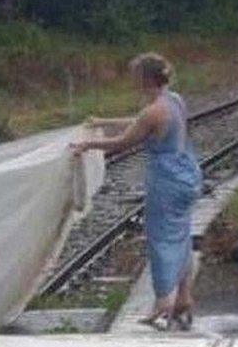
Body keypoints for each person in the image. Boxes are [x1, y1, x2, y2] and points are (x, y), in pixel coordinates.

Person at [72, 52, 201, 330]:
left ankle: (162, 302)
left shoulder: (153, 111)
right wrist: (102, 122)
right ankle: (184, 298)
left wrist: (88, 146)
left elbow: (124, 141)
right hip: (187, 174)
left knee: (162, 240)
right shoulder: (174, 101)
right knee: (181, 237)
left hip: (166, 181)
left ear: (145, 79)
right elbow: (138, 122)